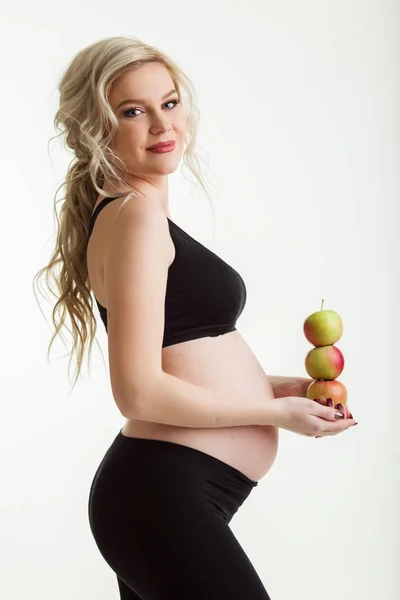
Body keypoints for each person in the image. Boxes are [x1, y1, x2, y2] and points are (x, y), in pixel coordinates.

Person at [34, 36, 357, 599]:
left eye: (170, 102)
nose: (163, 124)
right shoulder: (135, 219)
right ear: (96, 129)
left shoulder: (141, 217)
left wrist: (290, 390)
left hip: (164, 496)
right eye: (133, 111)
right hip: (161, 495)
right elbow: (138, 392)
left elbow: (179, 361)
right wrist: (275, 413)